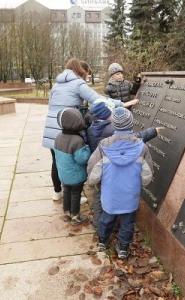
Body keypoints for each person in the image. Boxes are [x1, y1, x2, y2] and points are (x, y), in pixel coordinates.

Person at [42, 58, 139, 201]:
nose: (87, 77)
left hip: (52, 128)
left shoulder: (56, 85)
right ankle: (76, 195)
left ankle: (57, 192)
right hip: (68, 129)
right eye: (87, 74)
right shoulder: (78, 84)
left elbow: (51, 106)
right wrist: (122, 104)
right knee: (75, 162)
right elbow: (99, 100)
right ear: (82, 71)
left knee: (57, 161)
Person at [87, 107, 153, 259]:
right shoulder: (142, 147)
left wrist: (95, 183)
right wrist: (142, 184)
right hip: (130, 193)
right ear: (131, 123)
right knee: (128, 222)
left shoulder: (104, 145)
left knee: (106, 218)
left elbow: (93, 170)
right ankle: (123, 248)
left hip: (110, 192)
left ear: (114, 124)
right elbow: (147, 175)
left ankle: (103, 240)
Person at [86, 100, 164, 228]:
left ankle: (98, 225)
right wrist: (152, 131)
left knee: (99, 198)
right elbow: (131, 140)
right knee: (116, 200)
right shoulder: (111, 131)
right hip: (113, 173)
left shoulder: (91, 128)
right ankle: (113, 226)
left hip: (101, 170)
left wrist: (93, 177)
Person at [54, 108, 91, 226]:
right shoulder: (77, 140)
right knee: (76, 193)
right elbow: (82, 159)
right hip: (75, 176)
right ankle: (75, 216)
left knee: (66, 191)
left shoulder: (58, 136)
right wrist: (87, 149)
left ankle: (67, 213)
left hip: (63, 174)